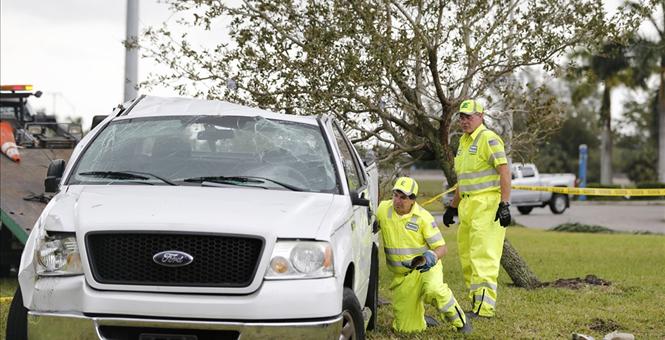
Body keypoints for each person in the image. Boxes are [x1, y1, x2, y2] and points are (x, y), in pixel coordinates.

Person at [443, 99, 512, 319]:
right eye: (462, 117)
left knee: (483, 257)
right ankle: (476, 305)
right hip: (468, 206)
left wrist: (505, 204)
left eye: (469, 117)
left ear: (481, 116)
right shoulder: (463, 143)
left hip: (487, 205)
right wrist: (452, 208)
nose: (464, 121)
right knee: (468, 258)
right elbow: (463, 181)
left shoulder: (488, 139)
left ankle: (484, 309)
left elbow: (504, 172)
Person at [377, 176, 472, 334]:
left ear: (413, 200)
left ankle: (460, 321)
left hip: (426, 268)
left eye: (403, 198)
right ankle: (421, 319)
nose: (398, 201)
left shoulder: (423, 218)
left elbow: (442, 248)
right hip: (403, 278)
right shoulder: (382, 209)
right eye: (395, 195)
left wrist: (431, 257)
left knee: (434, 290)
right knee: (405, 330)